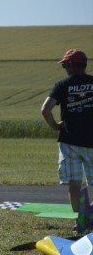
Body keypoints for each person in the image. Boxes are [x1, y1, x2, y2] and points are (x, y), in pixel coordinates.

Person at [41, 48, 93, 230]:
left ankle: (81, 219)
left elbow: (45, 110)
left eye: (64, 65)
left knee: (74, 183)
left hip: (69, 140)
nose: (64, 68)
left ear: (70, 65)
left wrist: (55, 126)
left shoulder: (62, 85)